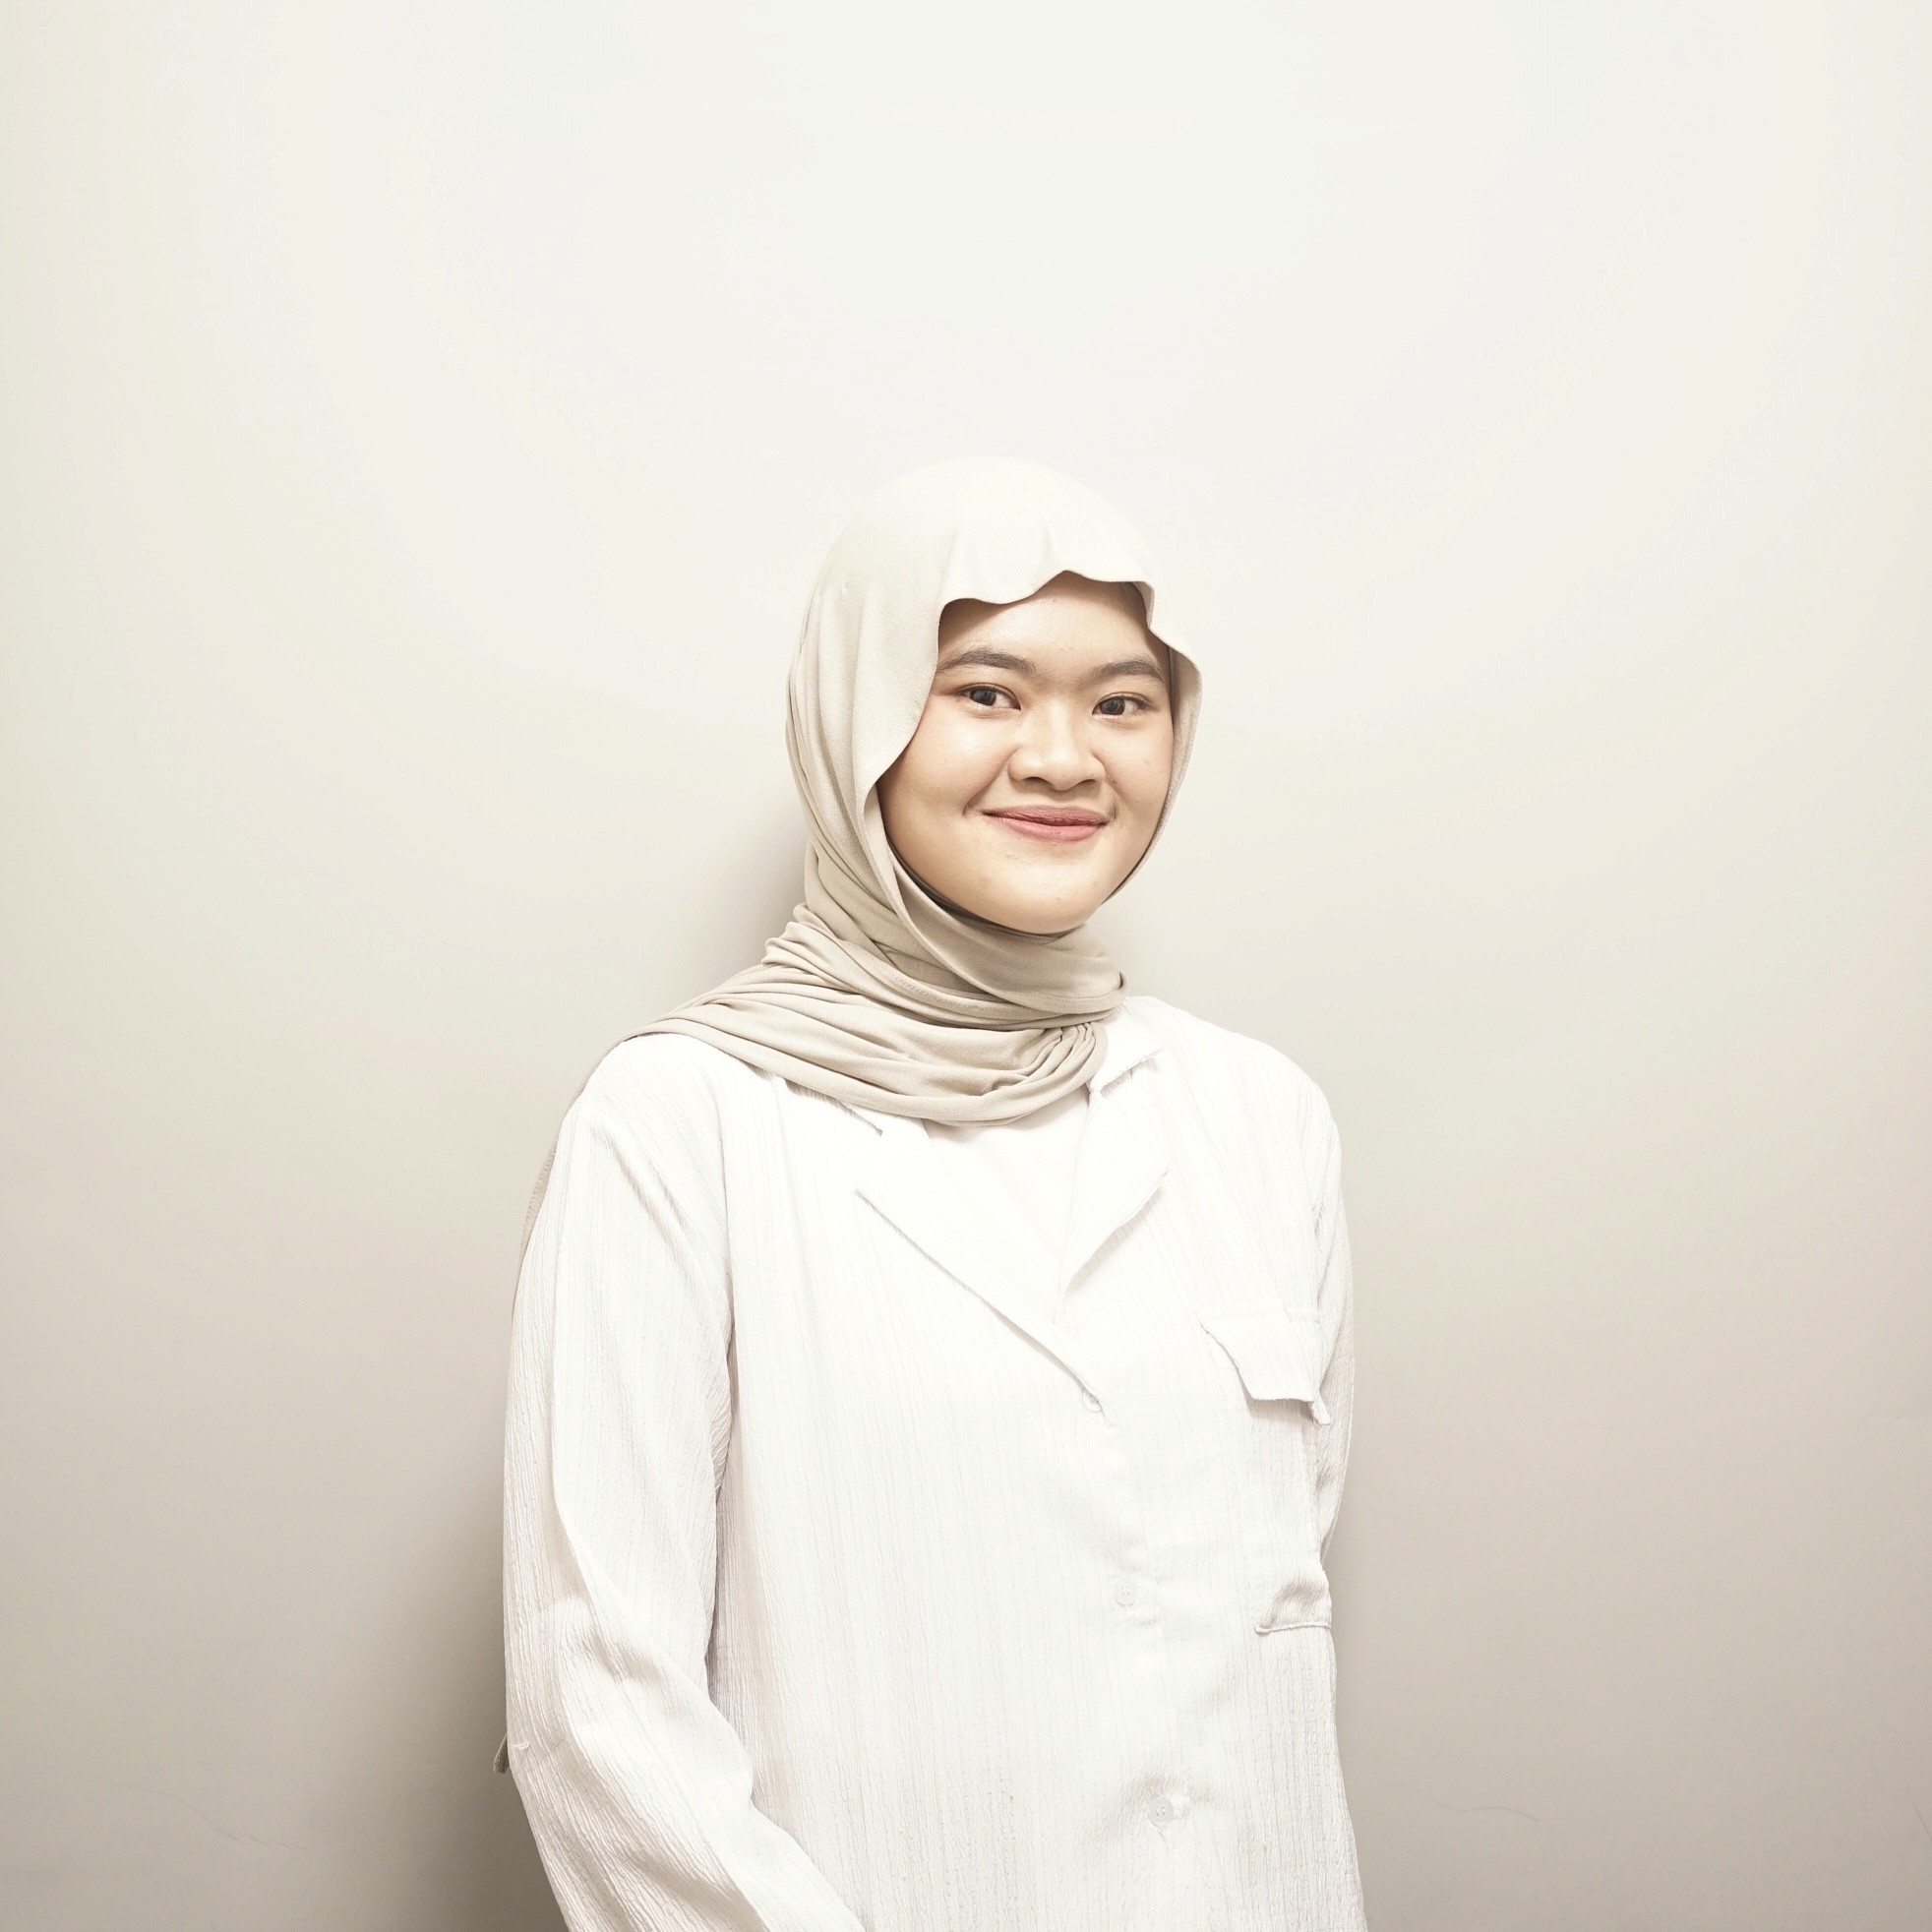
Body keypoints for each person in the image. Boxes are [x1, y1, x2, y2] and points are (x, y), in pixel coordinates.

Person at [500, 458, 1365, 1931]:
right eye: (984, 692)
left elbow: (1255, 1610)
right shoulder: (680, 1121)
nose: (1064, 759)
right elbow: (602, 1715)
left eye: (1122, 702)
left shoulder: (1258, 1115)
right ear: (858, 721)